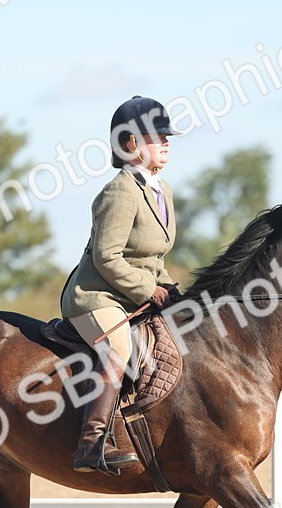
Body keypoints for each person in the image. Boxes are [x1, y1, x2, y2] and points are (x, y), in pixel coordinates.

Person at [60, 95, 181, 474]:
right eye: (155, 136)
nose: (165, 141)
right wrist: (149, 291)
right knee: (118, 345)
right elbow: (107, 257)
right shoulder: (120, 191)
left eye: (166, 135)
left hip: (128, 293)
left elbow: (152, 257)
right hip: (95, 296)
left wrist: (171, 289)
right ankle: (91, 443)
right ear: (130, 144)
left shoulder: (163, 190)